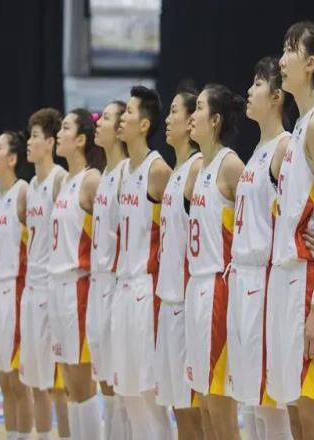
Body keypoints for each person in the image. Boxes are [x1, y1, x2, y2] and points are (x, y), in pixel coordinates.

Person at [266, 21, 314, 440]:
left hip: (309, 284)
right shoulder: (299, 127)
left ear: (310, 63)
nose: (281, 60)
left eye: (290, 50)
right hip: (287, 280)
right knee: (295, 413)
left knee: (312, 414)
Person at [227, 56, 293, 440]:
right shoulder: (257, 151)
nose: (249, 92)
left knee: (270, 405)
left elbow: (302, 211)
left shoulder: (285, 147)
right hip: (241, 280)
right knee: (249, 403)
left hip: (263, 281)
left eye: (257, 84)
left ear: (277, 96)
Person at [112, 86, 174, 440]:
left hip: (145, 291)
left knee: (150, 396)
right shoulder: (123, 171)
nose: (122, 118)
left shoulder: (158, 170)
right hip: (122, 289)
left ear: (145, 124)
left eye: (129, 112)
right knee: (128, 393)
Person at [186, 83, 246, 440]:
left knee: (221, 410)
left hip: (217, 289)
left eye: (199, 108)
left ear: (216, 120)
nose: (192, 115)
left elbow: (263, 217)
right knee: (205, 407)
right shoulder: (199, 168)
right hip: (196, 287)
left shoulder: (230, 165)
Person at [47, 108, 105, 440]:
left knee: (83, 385)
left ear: (81, 139)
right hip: (56, 287)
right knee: (68, 384)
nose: (59, 134)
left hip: (77, 288)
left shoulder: (91, 180)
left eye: (65, 128)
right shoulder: (64, 182)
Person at [153, 90, 203, 440]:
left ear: (190, 123)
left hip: (187, 304)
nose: (168, 120)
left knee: (192, 413)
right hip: (167, 302)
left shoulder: (197, 169)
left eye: (174, 112)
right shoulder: (175, 173)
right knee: (177, 408)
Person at [19, 108, 71, 440]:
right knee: (35, 383)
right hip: (30, 289)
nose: (29, 141)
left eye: (35, 136)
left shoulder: (60, 180)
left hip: (52, 291)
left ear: (50, 142)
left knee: (58, 386)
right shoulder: (30, 188)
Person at [0, 131, 33, 440]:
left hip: (14, 291)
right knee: (3, 380)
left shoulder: (23, 192)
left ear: (12, 159)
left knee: (18, 383)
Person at [87, 101, 130, 439]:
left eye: (106, 118)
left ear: (119, 130)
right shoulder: (104, 175)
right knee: (104, 382)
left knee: (121, 385)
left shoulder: (128, 173)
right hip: (97, 285)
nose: (98, 122)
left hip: (118, 285)